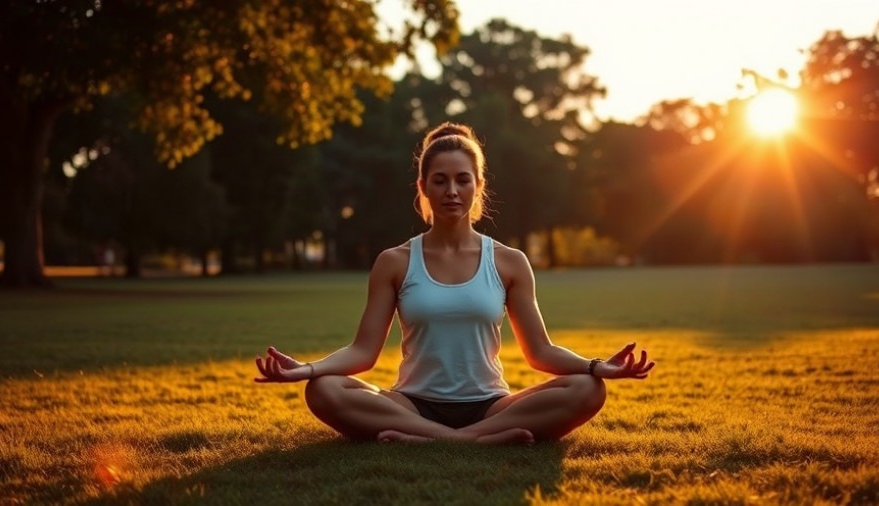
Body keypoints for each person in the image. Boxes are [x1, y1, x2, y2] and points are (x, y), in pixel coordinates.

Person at [255, 122, 655, 444]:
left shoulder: (509, 262)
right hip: (409, 404)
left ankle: (441, 439)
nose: (451, 191)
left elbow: (540, 351)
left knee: (588, 390)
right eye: (440, 180)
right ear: (423, 187)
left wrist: (597, 366)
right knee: (323, 390)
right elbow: (363, 351)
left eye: (462, 180)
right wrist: (307, 370)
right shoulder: (394, 262)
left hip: (492, 405)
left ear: (478, 186)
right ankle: (471, 441)